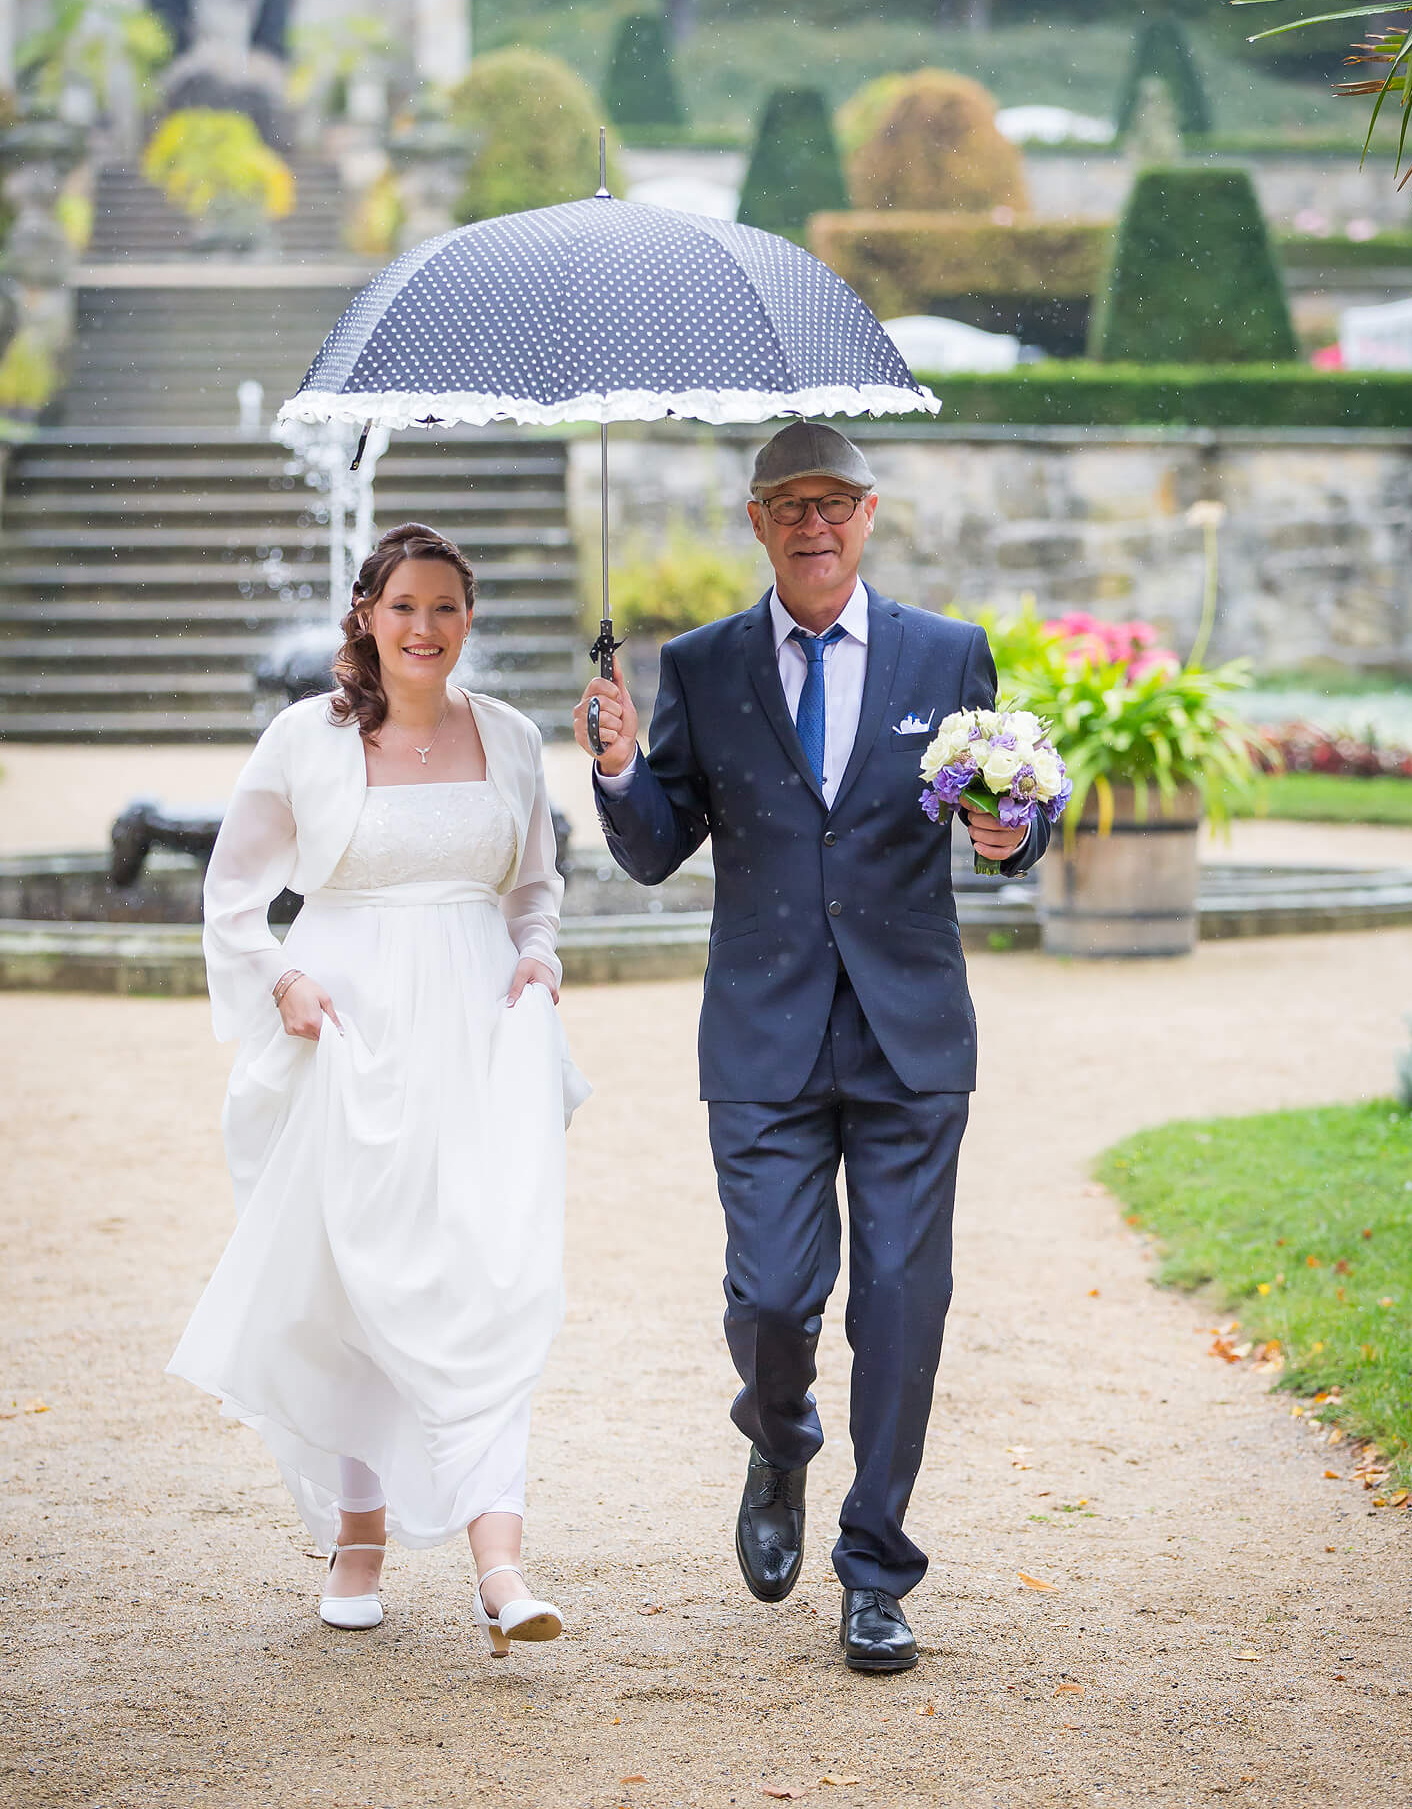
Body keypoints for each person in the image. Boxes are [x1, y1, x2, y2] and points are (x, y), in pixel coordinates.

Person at [575, 423, 1049, 1674]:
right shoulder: (707, 665)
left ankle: (877, 1568)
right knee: (776, 1298)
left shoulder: (946, 656)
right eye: (789, 504)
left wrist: (1014, 833)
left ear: (870, 514)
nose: (814, 524)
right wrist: (622, 770)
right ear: (756, 522)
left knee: (903, 1306)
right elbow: (653, 844)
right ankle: (778, 1434)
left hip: (909, 1037)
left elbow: (1007, 801)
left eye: (835, 502)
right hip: (764, 1037)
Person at [170, 521, 589, 1653]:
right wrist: (280, 977)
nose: (425, 628)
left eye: (447, 607)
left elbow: (534, 889)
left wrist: (539, 961)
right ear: (366, 614)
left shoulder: (506, 737)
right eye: (404, 606)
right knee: (356, 1277)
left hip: (477, 1038)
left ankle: (500, 1568)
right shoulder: (305, 740)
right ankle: (358, 1535)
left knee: (489, 1273)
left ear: (470, 620)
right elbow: (234, 893)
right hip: (348, 1036)